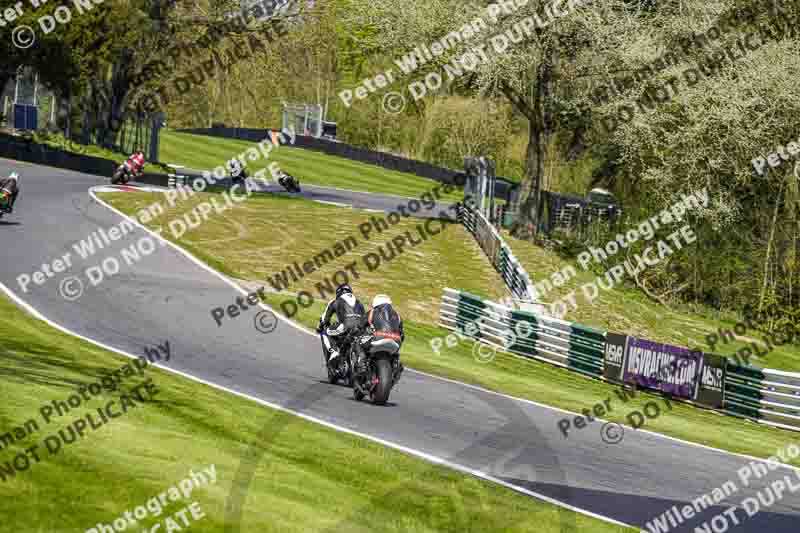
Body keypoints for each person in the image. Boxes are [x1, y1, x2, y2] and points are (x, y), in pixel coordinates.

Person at [354, 294, 405, 376]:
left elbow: (359, 326)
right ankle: (396, 367)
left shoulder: (372, 312)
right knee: (396, 354)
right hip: (396, 340)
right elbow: (402, 335)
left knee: (357, 342)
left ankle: (362, 364)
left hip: (379, 337)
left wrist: (358, 332)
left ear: (375, 303)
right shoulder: (398, 316)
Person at [317, 283, 366, 363]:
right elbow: (364, 317)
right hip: (361, 329)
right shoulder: (359, 302)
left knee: (324, 333)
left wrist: (320, 326)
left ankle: (334, 352)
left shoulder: (335, 301)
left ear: (338, 292)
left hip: (345, 326)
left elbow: (324, 319)